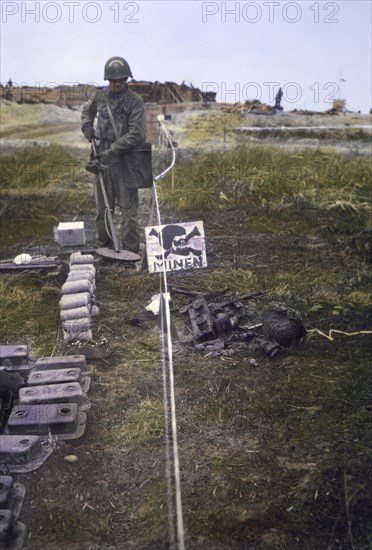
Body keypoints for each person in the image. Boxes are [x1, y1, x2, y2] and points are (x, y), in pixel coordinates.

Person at [81, 56, 146, 253]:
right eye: (113, 80)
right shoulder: (99, 96)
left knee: (129, 211)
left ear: (127, 79)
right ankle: (106, 248)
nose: (117, 84)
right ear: (107, 80)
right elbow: (86, 110)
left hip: (126, 161)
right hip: (103, 161)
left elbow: (137, 134)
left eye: (121, 80)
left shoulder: (136, 101)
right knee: (103, 210)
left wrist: (112, 151)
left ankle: (131, 251)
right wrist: (87, 126)